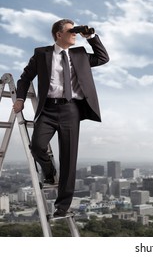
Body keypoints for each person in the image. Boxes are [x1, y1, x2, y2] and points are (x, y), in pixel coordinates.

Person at [13, 19, 109, 217]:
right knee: (37, 146)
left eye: (76, 31)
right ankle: (49, 173)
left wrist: (90, 37)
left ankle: (62, 207)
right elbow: (25, 77)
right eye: (71, 31)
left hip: (71, 110)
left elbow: (103, 58)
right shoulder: (42, 54)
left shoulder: (80, 54)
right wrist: (20, 98)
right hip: (47, 109)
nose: (75, 33)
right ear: (58, 34)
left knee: (68, 159)